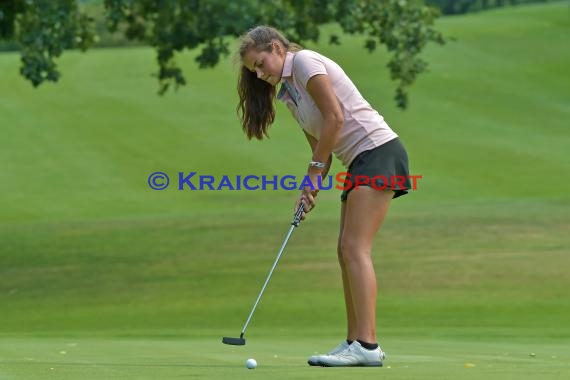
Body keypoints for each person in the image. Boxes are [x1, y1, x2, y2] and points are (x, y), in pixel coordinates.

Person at [236, 25, 411, 367]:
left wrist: (315, 172)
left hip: (378, 151)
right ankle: (354, 341)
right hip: (358, 160)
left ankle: (367, 345)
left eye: (260, 64)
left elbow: (335, 116)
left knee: (354, 247)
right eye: (252, 71)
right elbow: (321, 148)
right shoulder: (288, 93)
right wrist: (310, 185)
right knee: (344, 249)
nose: (259, 74)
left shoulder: (304, 63)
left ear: (276, 47)